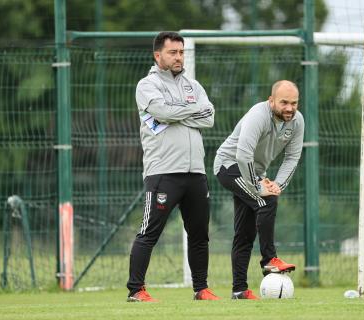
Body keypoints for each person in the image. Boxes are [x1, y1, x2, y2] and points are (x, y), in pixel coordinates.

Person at [127, 32, 219, 302]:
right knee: (149, 232)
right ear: (158, 56)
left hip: (195, 173)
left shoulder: (193, 85)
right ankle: (136, 290)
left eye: (181, 52)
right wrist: (189, 111)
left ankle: (200, 289)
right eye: (173, 52)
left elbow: (210, 117)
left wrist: (175, 111)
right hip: (162, 172)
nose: (179, 57)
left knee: (200, 234)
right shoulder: (147, 85)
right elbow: (163, 113)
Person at [213, 80, 304, 300]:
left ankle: (239, 290)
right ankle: (269, 260)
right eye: (284, 102)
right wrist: (259, 187)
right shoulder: (258, 115)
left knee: (245, 233)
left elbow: (292, 158)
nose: (289, 108)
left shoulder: (297, 121)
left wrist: (277, 185)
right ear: (271, 100)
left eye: (294, 103)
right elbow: (243, 155)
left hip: (253, 173)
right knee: (266, 200)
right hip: (229, 166)